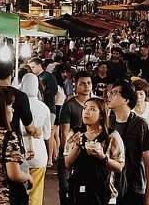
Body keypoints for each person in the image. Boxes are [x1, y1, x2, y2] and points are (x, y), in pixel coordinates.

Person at [65, 97, 126, 205]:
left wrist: (102, 157)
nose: (86, 111)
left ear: (102, 115)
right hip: (78, 190)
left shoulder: (111, 136)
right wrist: (77, 146)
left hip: (104, 192)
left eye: (92, 109)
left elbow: (119, 167)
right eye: (85, 108)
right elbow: (67, 163)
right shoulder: (75, 134)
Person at [108, 80, 149, 205]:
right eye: (110, 92)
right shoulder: (108, 123)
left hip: (134, 186)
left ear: (126, 100)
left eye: (115, 93)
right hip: (110, 186)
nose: (110, 95)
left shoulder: (141, 125)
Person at [58, 71, 94, 204]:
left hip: (91, 153)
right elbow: (64, 135)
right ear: (76, 85)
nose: (86, 86)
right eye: (83, 83)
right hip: (70, 152)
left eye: (89, 83)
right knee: (66, 189)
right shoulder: (68, 106)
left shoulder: (97, 105)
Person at [19, 73, 52, 205]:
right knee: (36, 193)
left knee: (20, 193)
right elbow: (47, 135)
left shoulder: (16, 105)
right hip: (39, 154)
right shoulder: (44, 108)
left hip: (19, 153)